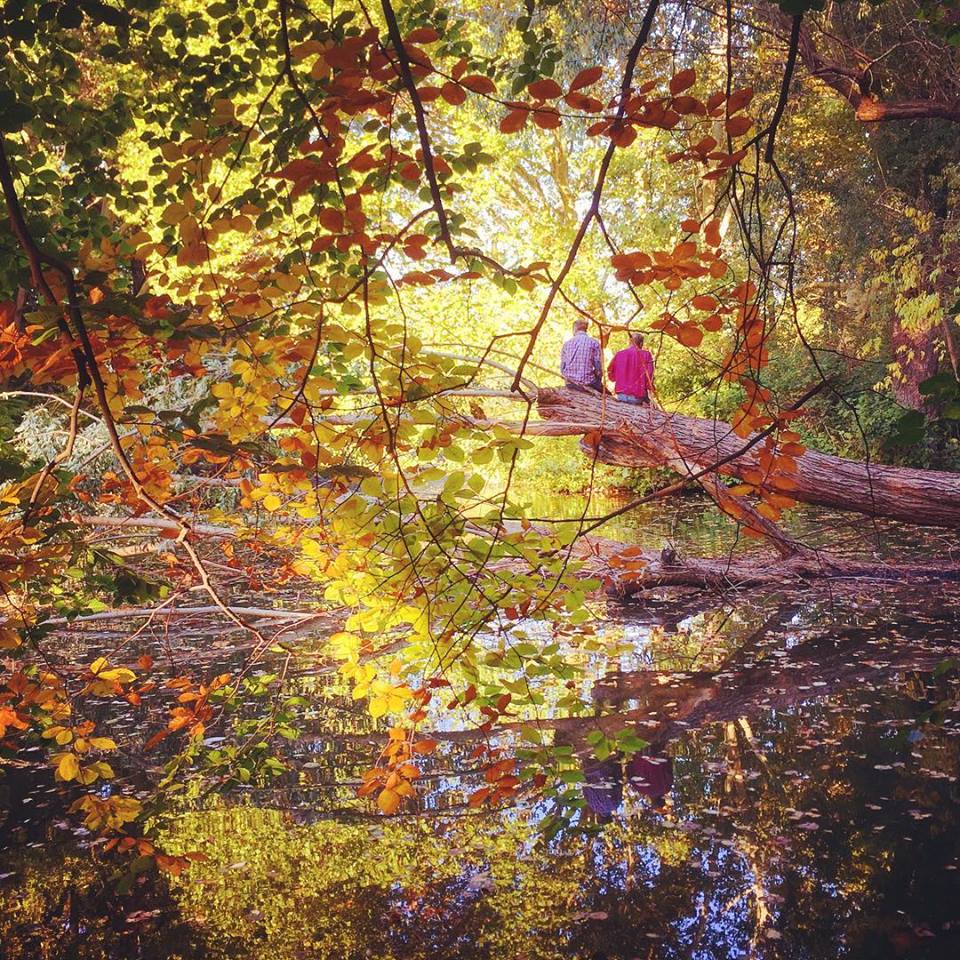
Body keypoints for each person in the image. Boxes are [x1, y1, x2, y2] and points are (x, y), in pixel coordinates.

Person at [607, 331, 654, 405]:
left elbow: (610, 370)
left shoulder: (619, 354)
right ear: (641, 343)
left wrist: (614, 378)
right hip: (637, 395)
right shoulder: (646, 355)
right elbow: (650, 375)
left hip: (621, 394)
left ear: (629, 342)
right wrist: (648, 387)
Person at [560, 318, 602, 392]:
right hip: (588, 382)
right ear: (585, 329)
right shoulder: (594, 342)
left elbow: (562, 368)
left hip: (570, 383)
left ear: (575, 329)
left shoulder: (566, 344)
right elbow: (598, 367)